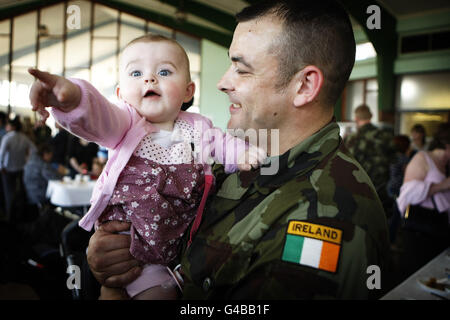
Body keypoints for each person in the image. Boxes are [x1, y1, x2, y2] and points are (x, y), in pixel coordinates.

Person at [85, 0, 390, 300]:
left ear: (304, 86)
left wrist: (112, 293)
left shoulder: (326, 215)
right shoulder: (232, 161)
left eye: (241, 70)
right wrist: (115, 258)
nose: (222, 82)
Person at [28, 34, 263, 300]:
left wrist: (243, 154)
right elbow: (98, 117)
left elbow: (223, 144)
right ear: (120, 94)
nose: (149, 79)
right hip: (130, 239)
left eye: (164, 71)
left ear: (188, 91)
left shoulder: (199, 127)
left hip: (172, 244)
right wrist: (72, 98)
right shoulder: (125, 122)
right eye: (136, 72)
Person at [396, 123, 450, 275]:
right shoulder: (423, 158)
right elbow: (408, 194)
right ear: (446, 145)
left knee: (436, 271)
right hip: (420, 228)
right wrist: (442, 185)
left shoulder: (446, 164)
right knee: (416, 270)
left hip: (441, 226)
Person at [344, 104, 396, 212]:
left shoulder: (352, 138)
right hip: (382, 188)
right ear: (371, 116)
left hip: (359, 188)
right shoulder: (385, 135)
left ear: (356, 118)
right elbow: (394, 160)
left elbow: (346, 163)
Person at [0, 117, 36, 221]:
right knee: (19, 192)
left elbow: (1, 154)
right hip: (20, 168)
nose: (7, 127)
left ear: (13, 126)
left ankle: (9, 216)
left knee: (8, 193)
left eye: (9, 125)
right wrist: (27, 161)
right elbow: (34, 150)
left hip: (7, 169)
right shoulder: (24, 138)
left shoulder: (7, 138)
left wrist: (1, 166)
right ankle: (19, 215)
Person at [23, 143, 67, 207]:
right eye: (50, 155)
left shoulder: (33, 158)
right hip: (38, 194)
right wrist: (63, 173)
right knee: (59, 196)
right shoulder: (42, 164)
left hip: (29, 192)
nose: (51, 157)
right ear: (46, 153)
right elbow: (54, 176)